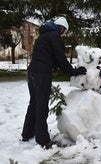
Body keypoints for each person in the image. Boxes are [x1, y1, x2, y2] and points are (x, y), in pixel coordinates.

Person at [21, 16, 87, 149]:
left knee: (33, 103)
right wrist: (75, 71)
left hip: (32, 72)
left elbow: (51, 57)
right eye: (64, 32)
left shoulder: (43, 36)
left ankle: (27, 133)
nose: (63, 35)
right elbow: (61, 59)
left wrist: (58, 66)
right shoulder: (54, 36)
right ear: (61, 28)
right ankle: (43, 140)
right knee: (41, 105)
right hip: (42, 74)